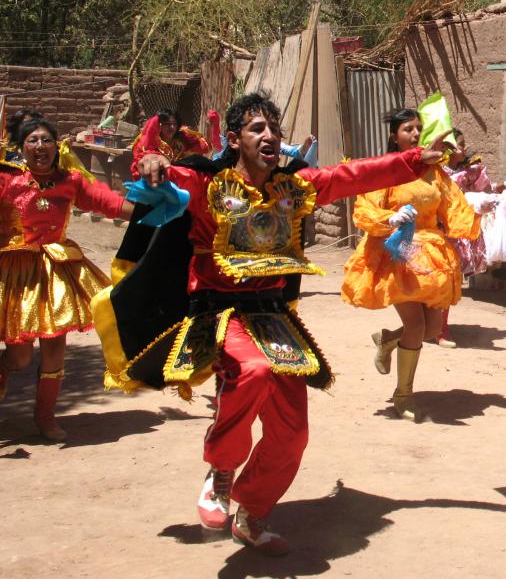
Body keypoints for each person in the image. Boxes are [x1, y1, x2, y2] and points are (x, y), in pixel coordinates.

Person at [96, 93, 439, 555]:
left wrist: (414, 159)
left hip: (273, 316)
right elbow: (162, 173)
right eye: (258, 128)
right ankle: (220, 474)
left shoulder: (293, 186)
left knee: (293, 430)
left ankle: (252, 512)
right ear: (234, 139)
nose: (270, 136)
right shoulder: (205, 182)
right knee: (252, 371)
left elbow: (351, 175)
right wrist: (152, 158)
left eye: (274, 129)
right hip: (218, 314)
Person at [0, 117, 133, 441]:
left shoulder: (69, 181)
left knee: (55, 348)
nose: (40, 147)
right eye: (32, 141)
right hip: (16, 276)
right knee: (18, 356)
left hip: (55, 273)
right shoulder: (7, 180)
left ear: (56, 146)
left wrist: (158, 212)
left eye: (46, 140)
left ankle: (45, 417)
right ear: (22, 148)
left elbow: (109, 203)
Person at [342, 108, 480, 420]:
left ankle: (389, 340)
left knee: (431, 328)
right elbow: (365, 208)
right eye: (408, 129)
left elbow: (453, 203)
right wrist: (388, 218)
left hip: (430, 253)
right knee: (417, 326)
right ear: (394, 136)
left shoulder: (435, 172)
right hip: (397, 251)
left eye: (418, 128)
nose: (415, 134)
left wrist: (480, 211)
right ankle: (403, 395)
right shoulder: (386, 170)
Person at [436, 128, 501, 347]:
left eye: (462, 143)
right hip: (437, 231)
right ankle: (426, 326)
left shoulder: (472, 169)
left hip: (459, 233)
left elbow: (487, 190)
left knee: (451, 281)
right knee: (436, 281)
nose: (462, 148)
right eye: (457, 144)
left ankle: (441, 329)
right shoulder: (435, 171)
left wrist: (504, 188)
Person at [130, 107, 211, 174]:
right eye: (167, 124)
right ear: (159, 125)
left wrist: (210, 128)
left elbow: (204, 147)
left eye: (174, 124)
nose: (172, 127)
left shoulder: (183, 137)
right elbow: (139, 159)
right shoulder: (148, 139)